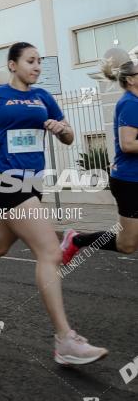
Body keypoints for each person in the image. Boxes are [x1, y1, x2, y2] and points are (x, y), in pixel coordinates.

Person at [0, 41, 108, 366]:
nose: (36, 67)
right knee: (50, 252)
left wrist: (62, 130)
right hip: (3, 179)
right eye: (30, 61)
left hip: (33, 181)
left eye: (39, 63)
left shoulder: (43, 97)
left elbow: (70, 136)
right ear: (13, 65)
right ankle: (65, 340)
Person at [62, 58, 138, 262]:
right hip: (130, 182)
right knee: (126, 244)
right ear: (131, 80)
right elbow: (128, 144)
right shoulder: (130, 104)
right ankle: (76, 240)